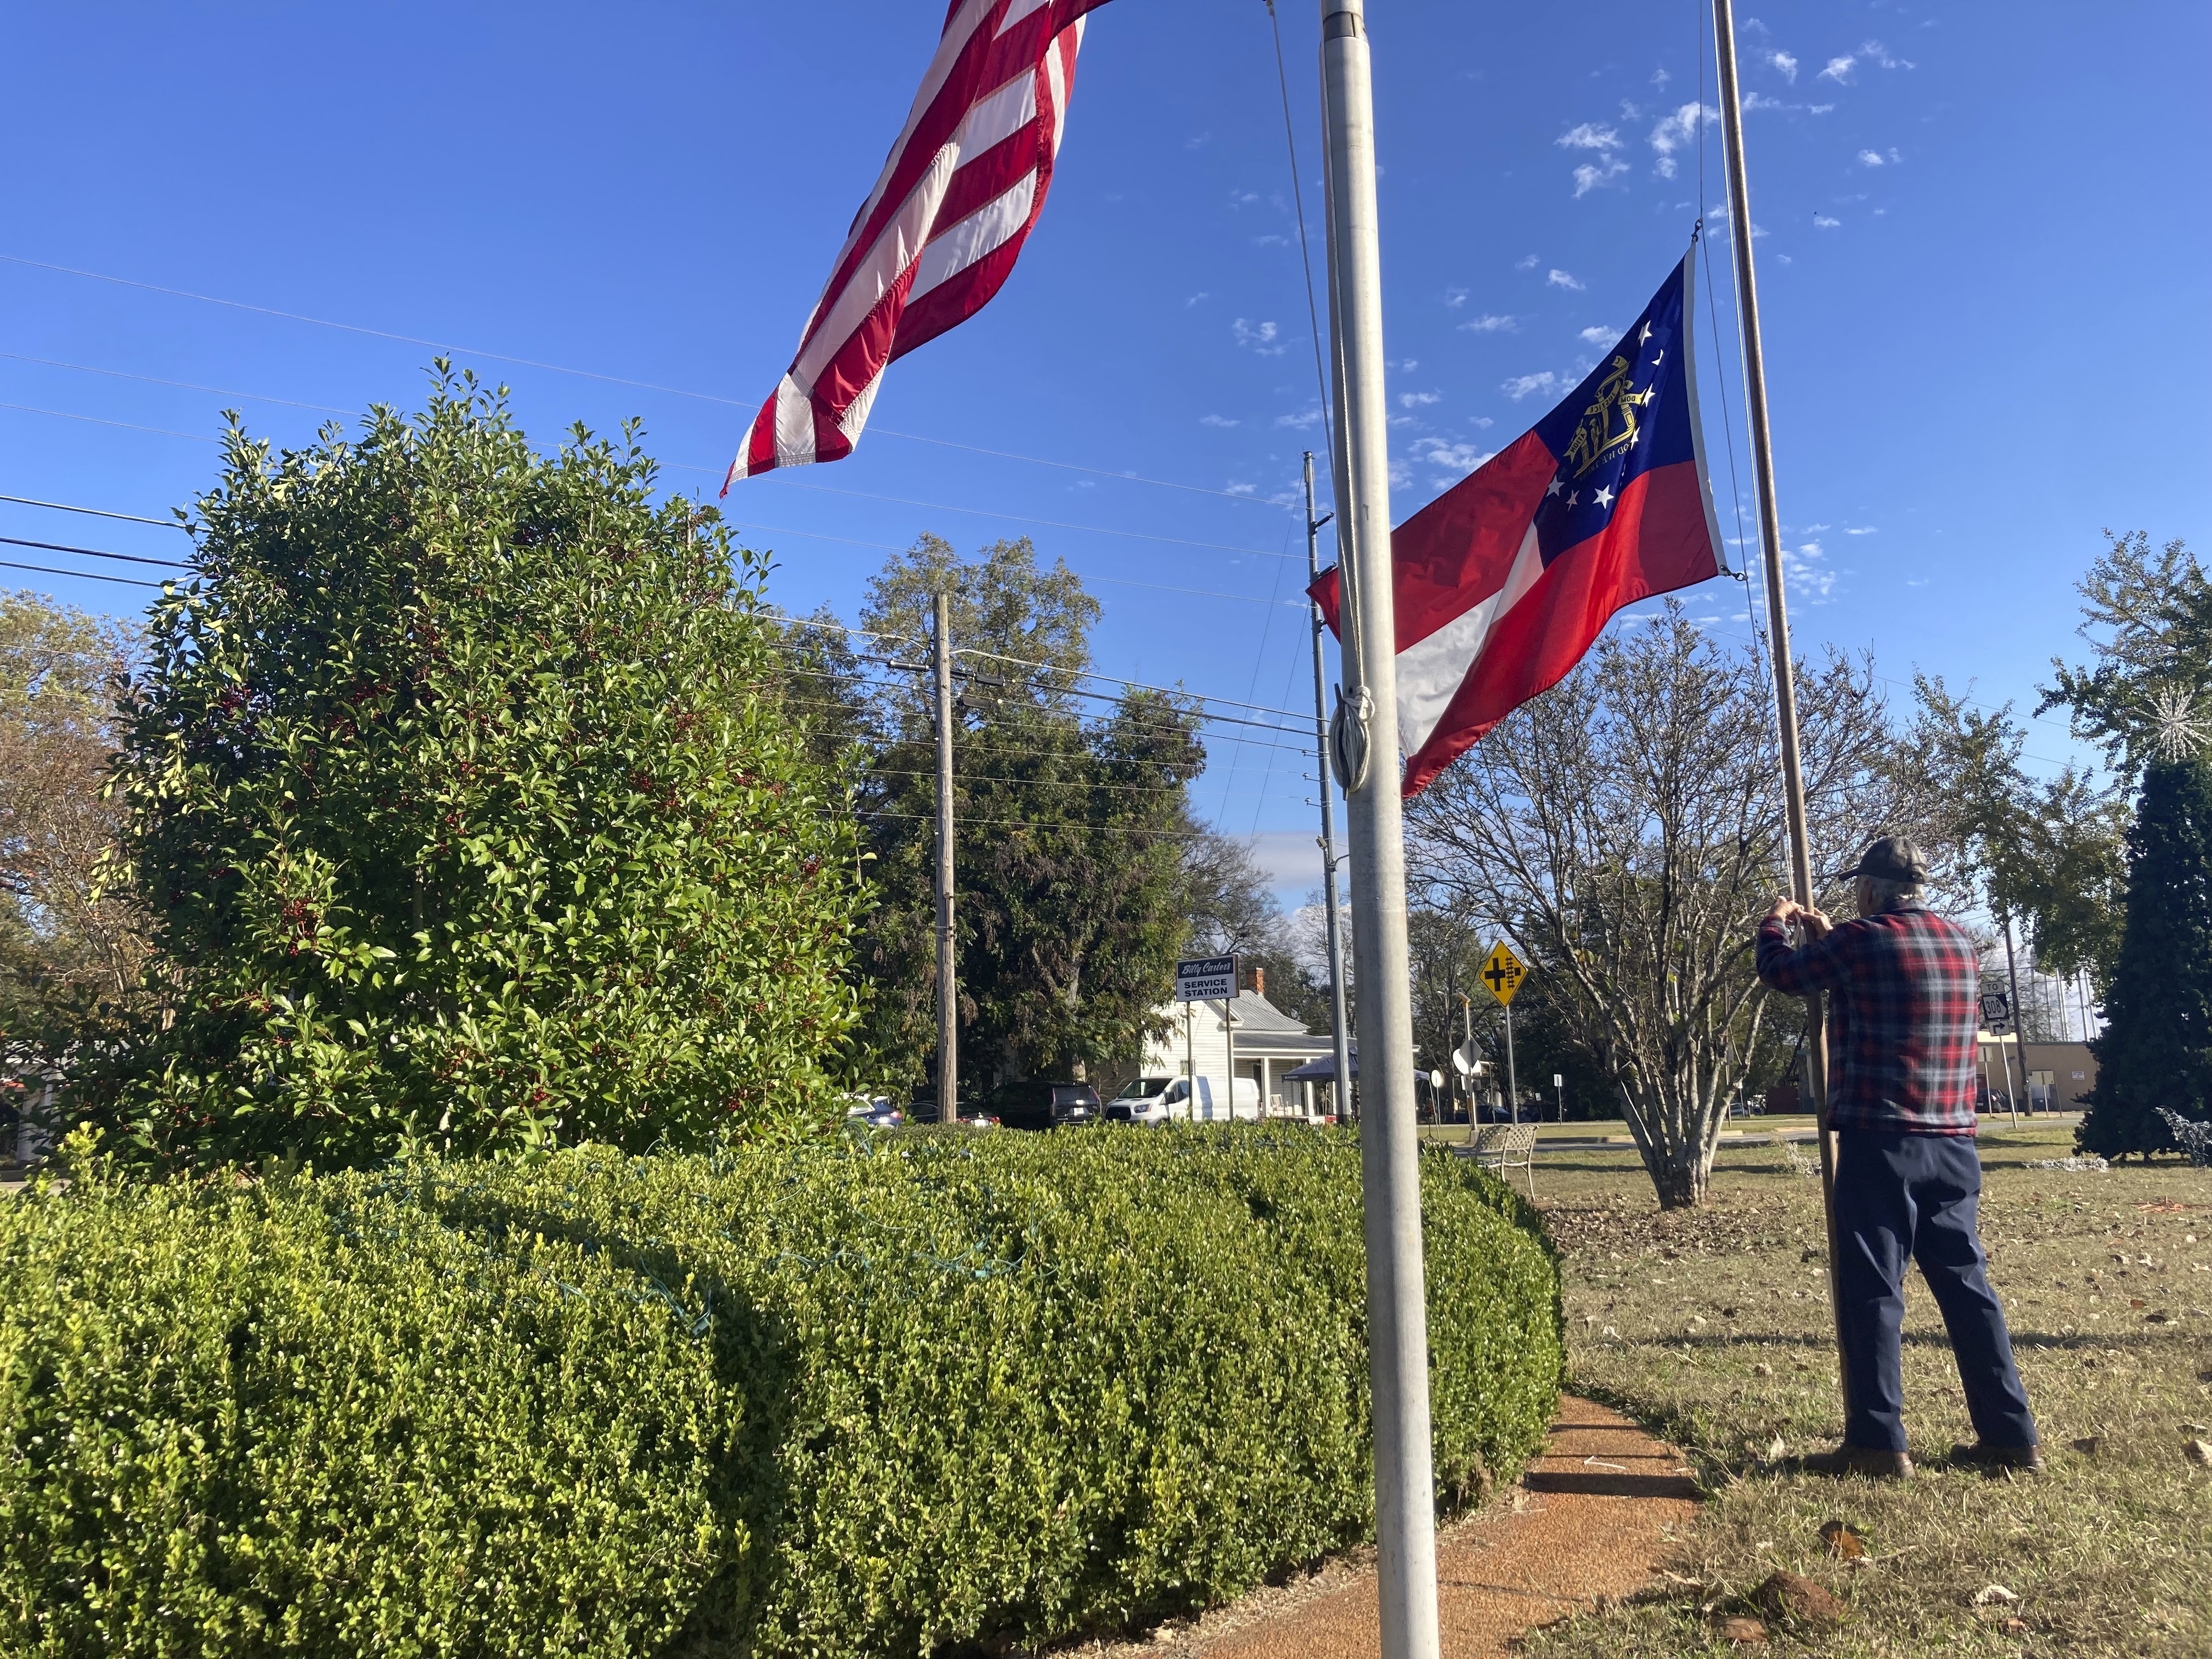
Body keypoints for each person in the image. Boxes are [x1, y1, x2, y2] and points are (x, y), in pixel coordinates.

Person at [1757, 834, 2040, 1479]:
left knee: (1873, 1291)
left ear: (1868, 891)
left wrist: (1775, 923)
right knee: (1969, 1289)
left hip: (1881, 1139)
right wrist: (1834, 935)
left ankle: (1878, 1442)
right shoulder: (1962, 945)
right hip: (1954, 1143)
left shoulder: (1859, 943)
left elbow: (1783, 974)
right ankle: (2011, 1436)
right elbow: (1883, 974)